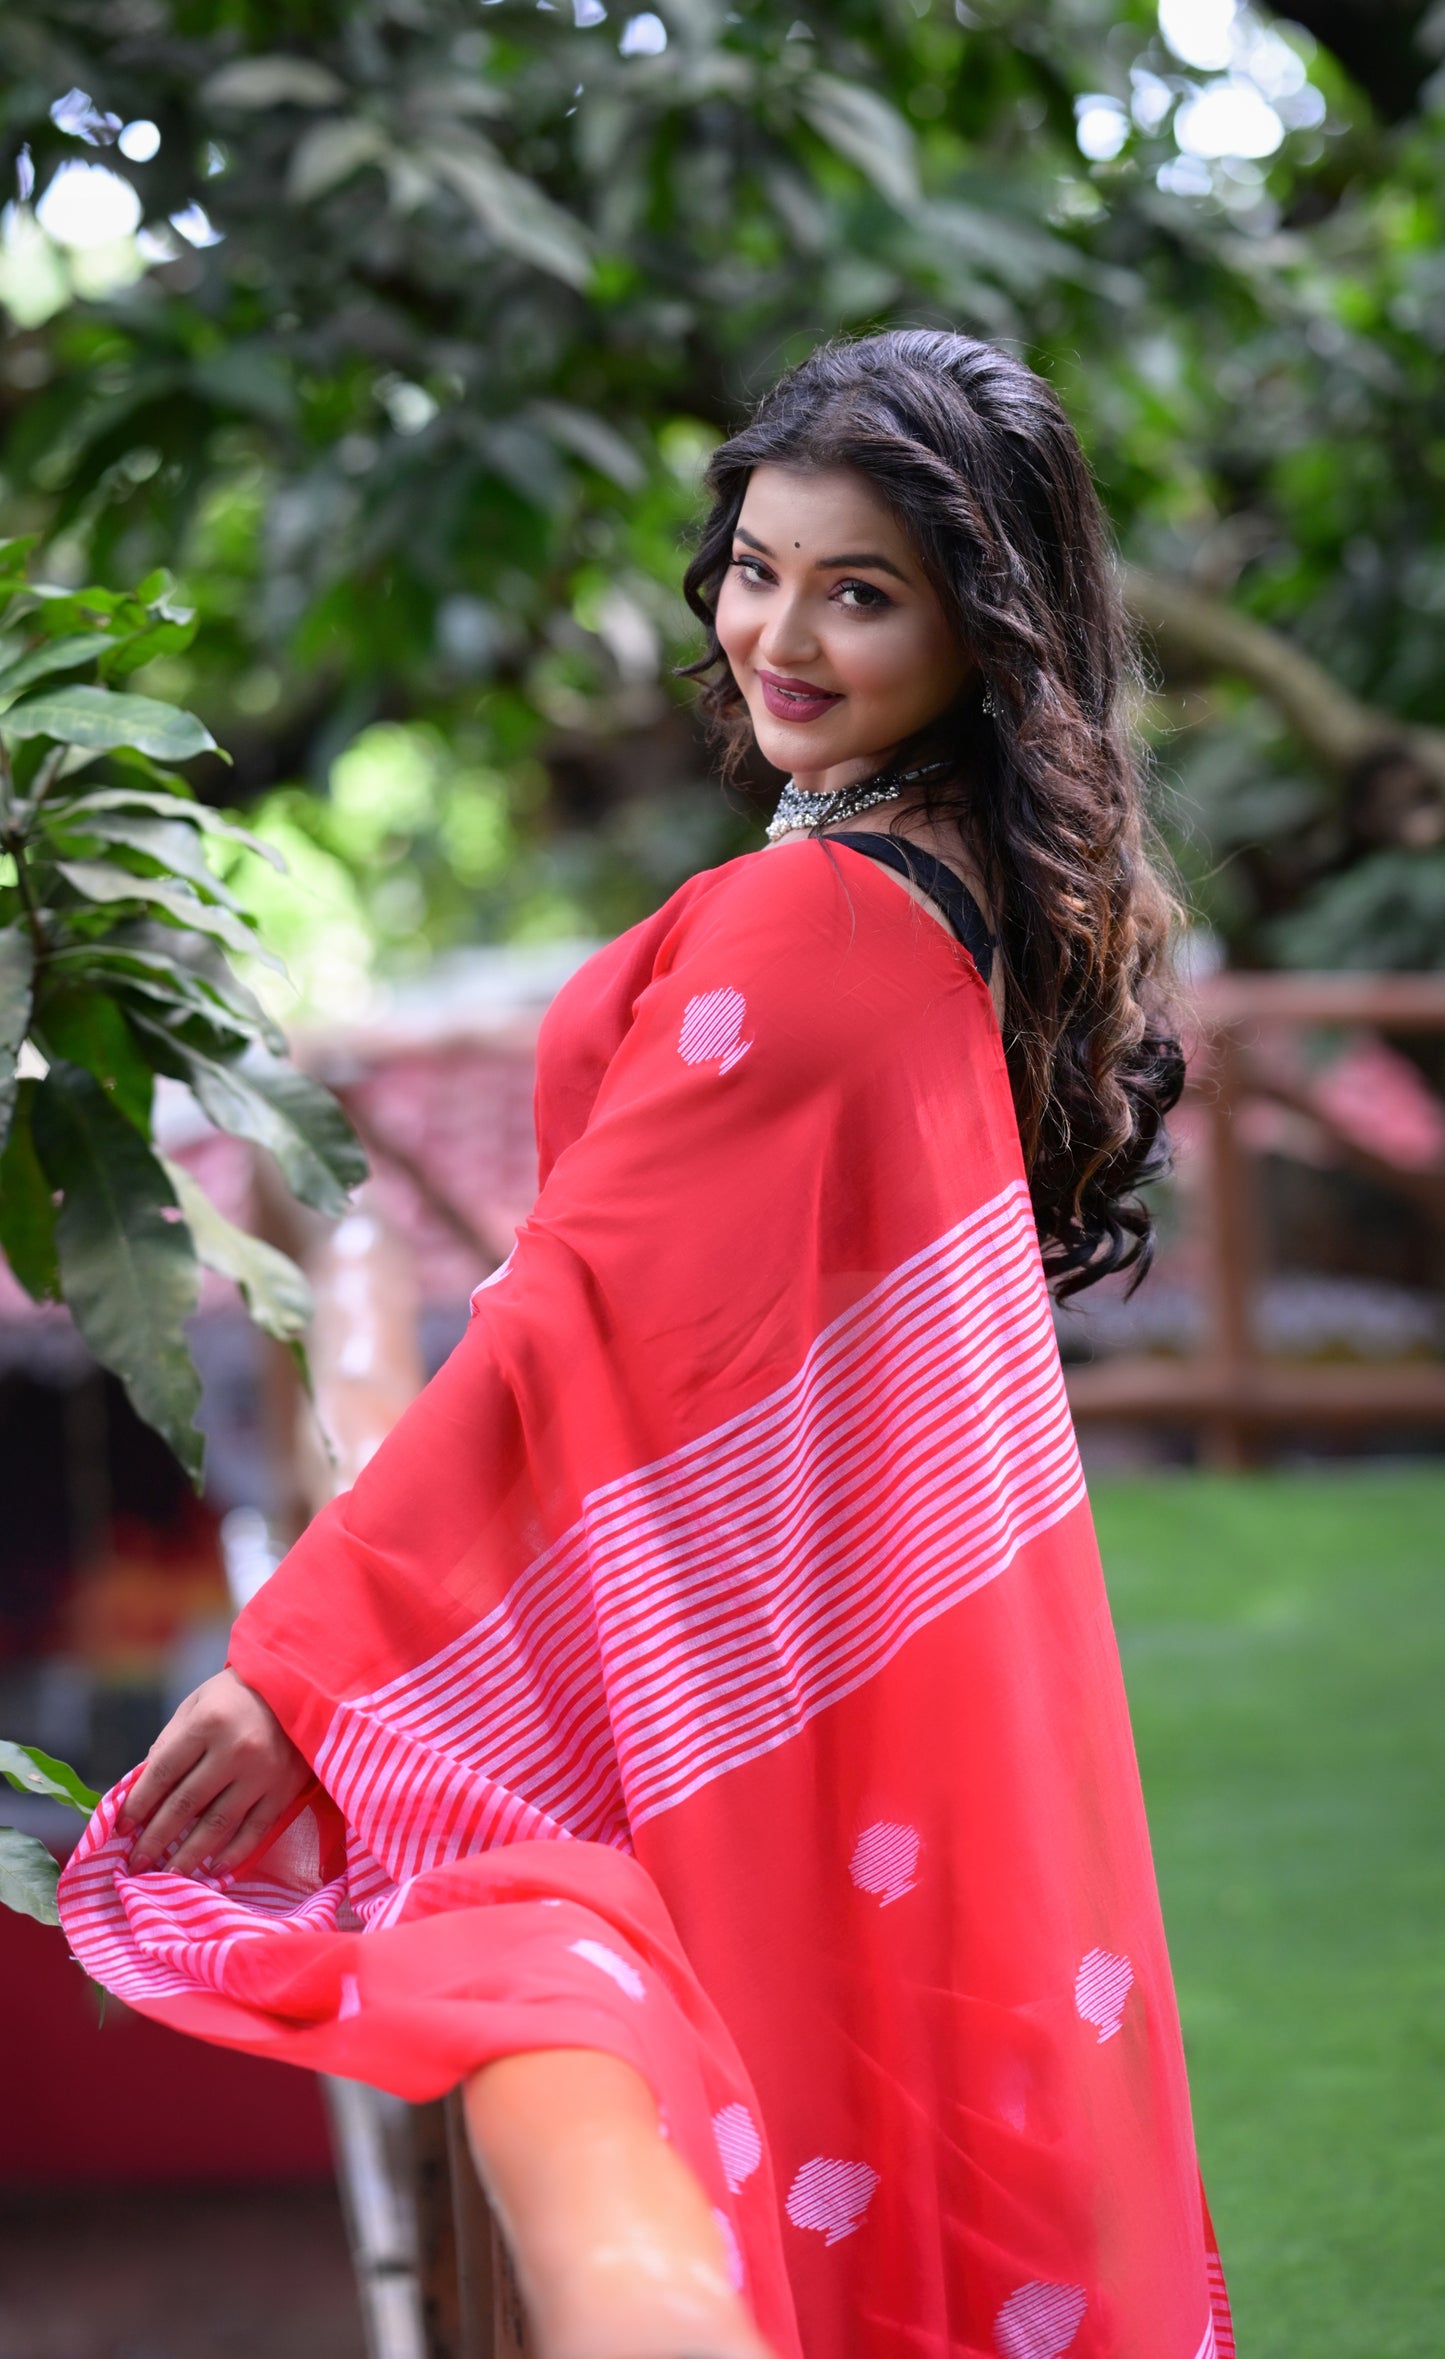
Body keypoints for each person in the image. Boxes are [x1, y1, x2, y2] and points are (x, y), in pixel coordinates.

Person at [61, 330, 1233, 2359]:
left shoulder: (821, 928)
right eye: (755, 567)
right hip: (913, 1653)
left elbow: (569, 1320)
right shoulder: (967, 873)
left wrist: (306, 1666)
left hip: (826, 1671)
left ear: (983, 626)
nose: (778, 632)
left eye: (859, 593)